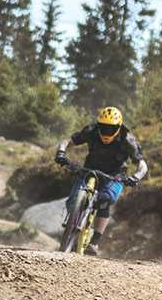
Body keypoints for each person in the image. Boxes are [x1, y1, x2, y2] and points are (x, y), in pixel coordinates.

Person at [53, 108, 147, 253]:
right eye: (104, 127)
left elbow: (142, 165)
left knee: (104, 201)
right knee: (74, 200)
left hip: (114, 175)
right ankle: (72, 230)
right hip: (89, 170)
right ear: (99, 125)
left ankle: (94, 242)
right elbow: (67, 142)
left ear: (119, 127)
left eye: (111, 128)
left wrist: (135, 178)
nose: (107, 131)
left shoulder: (128, 140)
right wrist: (61, 153)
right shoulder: (91, 131)